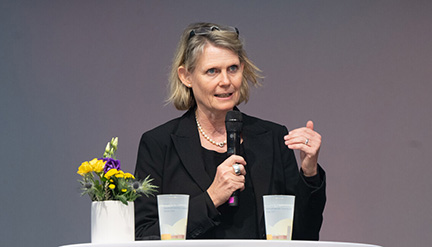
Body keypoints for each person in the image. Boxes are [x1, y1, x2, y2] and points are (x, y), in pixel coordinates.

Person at [134, 22, 326, 240]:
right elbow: (143, 235)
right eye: (212, 71)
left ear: (242, 69)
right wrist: (212, 197)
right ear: (186, 76)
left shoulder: (273, 138)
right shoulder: (159, 144)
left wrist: (309, 172)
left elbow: (304, 234)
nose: (225, 81)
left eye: (232, 69)